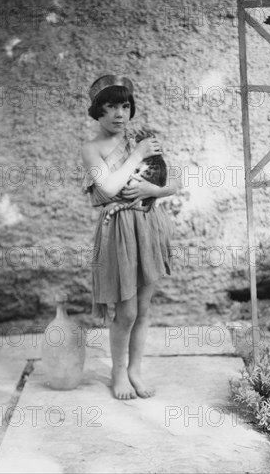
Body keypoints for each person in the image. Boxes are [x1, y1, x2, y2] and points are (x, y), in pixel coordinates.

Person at [81, 75, 180, 400]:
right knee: (126, 312)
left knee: (144, 308)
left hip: (149, 224)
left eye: (124, 105)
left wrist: (156, 189)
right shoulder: (92, 148)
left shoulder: (143, 138)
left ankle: (136, 369)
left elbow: (174, 180)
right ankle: (118, 372)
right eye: (110, 106)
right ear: (97, 111)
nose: (119, 113)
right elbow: (108, 189)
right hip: (119, 230)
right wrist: (136, 156)